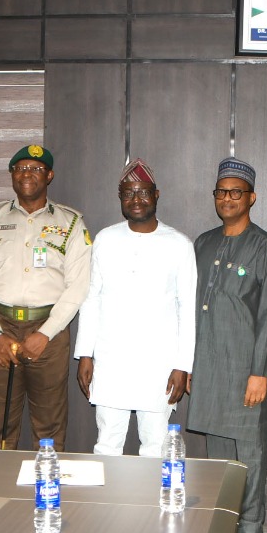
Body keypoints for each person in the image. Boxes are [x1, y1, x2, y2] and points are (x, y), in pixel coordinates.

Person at [186, 159, 267, 533]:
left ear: (251, 198)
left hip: (246, 367)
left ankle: (250, 530)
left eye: (236, 192)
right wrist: (188, 363)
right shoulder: (203, 244)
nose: (227, 199)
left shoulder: (266, 247)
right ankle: (224, 522)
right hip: (209, 364)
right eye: (221, 192)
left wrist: (260, 372)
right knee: (219, 450)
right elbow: (190, 309)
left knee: (249, 450)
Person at [0, 144, 92, 450]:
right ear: (12, 174)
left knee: (49, 426)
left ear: (49, 176)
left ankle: (46, 479)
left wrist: (45, 333)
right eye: (21, 168)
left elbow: (78, 286)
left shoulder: (70, 222)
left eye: (36, 169)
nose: (28, 174)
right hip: (1, 328)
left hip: (49, 333)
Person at [74, 159, 197, 457]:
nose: (136, 199)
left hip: (158, 363)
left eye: (143, 192)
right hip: (111, 359)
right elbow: (92, 299)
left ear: (156, 195)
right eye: (128, 193)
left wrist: (183, 365)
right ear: (120, 197)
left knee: (156, 447)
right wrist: (85, 354)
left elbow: (187, 308)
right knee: (107, 444)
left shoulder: (179, 244)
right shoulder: (105, 239)